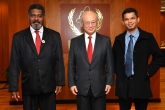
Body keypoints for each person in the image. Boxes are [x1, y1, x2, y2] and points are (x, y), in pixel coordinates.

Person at [9, 4, 65, 110]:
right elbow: (14, 64)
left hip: (49, 87)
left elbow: (59, 60)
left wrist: (60, 82)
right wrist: (13, 87)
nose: (36, 19)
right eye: (33, 15)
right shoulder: (18, 37)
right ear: (28, 16)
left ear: (43, 17)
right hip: (29, 87)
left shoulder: (54, 36)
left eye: (39, 16)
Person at [113, 7, 164, 110]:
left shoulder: (148, 37)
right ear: (123, 22)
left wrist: (148, 72)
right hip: (123, 83)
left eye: (132, 18)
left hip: (141, 82)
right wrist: (118, 72)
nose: (129, 21)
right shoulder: (118, 39)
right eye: (126, 19)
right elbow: (113, 58)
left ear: (138, 19)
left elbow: (159, 57)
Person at [68, 11, 114, 110]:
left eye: (93, 22)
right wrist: (72, 83)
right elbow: (71, 64)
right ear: (82, 24)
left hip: (100, 86)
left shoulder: (106, 41)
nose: (90, 25)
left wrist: (109, 82)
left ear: (97, 23)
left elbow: (110, 63)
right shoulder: (75, 42)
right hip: (81, 87)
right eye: (87, 22)